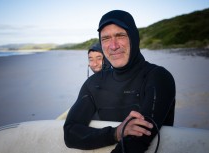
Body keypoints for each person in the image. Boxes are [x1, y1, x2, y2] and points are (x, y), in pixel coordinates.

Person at [64, 10, 176, 153]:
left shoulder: (158, 77)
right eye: (105, 38)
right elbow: (70, 133)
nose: (113, 45)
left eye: (120, 35)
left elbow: (135, 144)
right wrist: (115, 133)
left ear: (134, 38)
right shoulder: (94, 83)